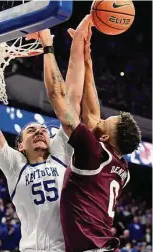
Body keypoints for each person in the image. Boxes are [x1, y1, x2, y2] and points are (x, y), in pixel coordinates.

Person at [39, 14, 141, 252]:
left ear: (104, 137)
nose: (99, 119)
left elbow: (56, 95)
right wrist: (86, 54)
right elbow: (93, 115)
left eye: (105, 122)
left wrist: (48, 46)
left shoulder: (94, 152)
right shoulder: (118, 166)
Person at [0, 38, 74, 251]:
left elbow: (67, 102)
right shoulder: (15, 165)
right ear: (20, 146)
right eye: (31, 130)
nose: (39, 131)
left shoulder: (60, 153)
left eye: (43, 131)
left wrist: (51, 46)